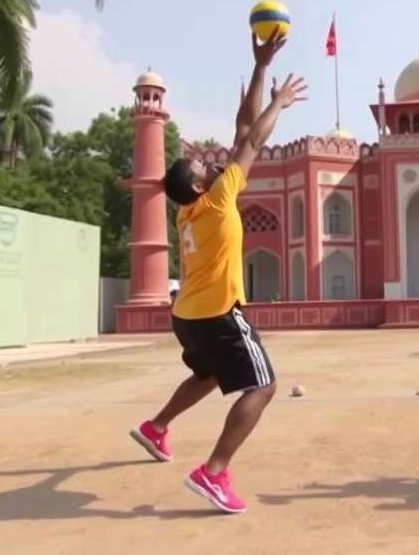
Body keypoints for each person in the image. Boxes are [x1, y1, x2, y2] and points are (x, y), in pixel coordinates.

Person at [129, 30, 307, 513]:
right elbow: (252, 136)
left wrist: (260, 66)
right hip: (216, 313)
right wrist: (282, 102)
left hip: (185, 314)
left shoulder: (187, 210)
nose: (208, 161)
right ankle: (214, 473)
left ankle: (156, 427)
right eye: (201, 164)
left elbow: (239, 129)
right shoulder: (221, 196)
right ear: (201, 183)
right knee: (263, 386)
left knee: (208, 376)